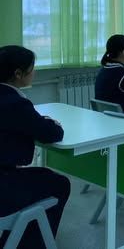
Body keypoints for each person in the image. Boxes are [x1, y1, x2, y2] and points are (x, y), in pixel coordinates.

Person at [0, 45, 71, 248]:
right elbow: (52, 134)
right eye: (32, 68)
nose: (35, 72)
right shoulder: (15, 103)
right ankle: (34, 243)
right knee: (60, 184)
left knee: (43, 176)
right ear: (18, 74)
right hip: (3, 185)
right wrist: (51, 124)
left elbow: (23, 124)